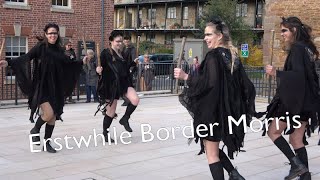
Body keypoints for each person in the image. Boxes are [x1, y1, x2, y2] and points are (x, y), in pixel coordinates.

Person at [174, 17, 256, 180]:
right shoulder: (233, 56)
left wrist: (186, 76)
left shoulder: (214, 56)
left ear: (219, 36)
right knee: (210, 146)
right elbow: (247, 86)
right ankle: (234, 174)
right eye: (205, 35)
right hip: (227, 113)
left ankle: (234, 175)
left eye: (208, 34)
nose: (205, 38)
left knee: (211, 154)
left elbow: (209, 83)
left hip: (213, 112)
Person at [0, 23, 84, 153]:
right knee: (48, 113)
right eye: (50, 33)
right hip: (42, 86)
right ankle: (35, 129)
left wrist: (82, 62)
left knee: (53, 116)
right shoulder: (41, 47)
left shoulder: (60, 50)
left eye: (55, 33)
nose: (53, 35)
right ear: (46, 34)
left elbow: (69, 64)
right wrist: (9, 62)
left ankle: (47, 143)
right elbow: (26, 57)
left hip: (56, 87)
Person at [264, 17, 320, 180]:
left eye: (284, 31)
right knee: (296, 139)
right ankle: (305, 176)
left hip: (295, 103)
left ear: (294, 30)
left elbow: (298, 76)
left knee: (273, 131)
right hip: (307, 102)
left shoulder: (297, 48)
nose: (282, 34)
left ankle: (296, 165)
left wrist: (276, 73)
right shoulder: (307, 48)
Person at [96, 31, 140, 142]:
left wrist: (134, 64)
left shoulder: (123, 53)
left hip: (124, 82)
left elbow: (126, 68)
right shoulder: (105, 53)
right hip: (111, 85)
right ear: (111, 41)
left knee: (135, 99)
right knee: (110, 112)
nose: (120, 43)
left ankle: (125, 119)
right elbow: (100, 68)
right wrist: (98, 70)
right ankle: (105, 133)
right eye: (117, 41)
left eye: (121, 41)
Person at [121, 36, 138, 106]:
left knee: (127, 85)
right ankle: (128, 99)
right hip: (123, 69)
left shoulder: (132, 49)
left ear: (130, 41)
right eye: (124, 42)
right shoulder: (123, 48)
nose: (126, 43)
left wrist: (131, 69)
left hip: (129, 69)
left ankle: (129, 100)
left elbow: (134, 59)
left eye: (127, 42)